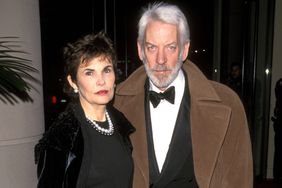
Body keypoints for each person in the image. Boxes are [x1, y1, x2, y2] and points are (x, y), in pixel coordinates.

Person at [113, 2, 253, 188]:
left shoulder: (228, 103)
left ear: (184, 49)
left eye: (170, 47)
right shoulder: (114, 103)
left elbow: (239, 179)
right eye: (152, 47)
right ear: (140, 50)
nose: (160, 60)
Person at [34, 32, 135, 188]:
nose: (101, 81)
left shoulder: (121, 125)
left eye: (106, 70)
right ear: (73, 82)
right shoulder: (61, 138)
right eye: (89, 73)